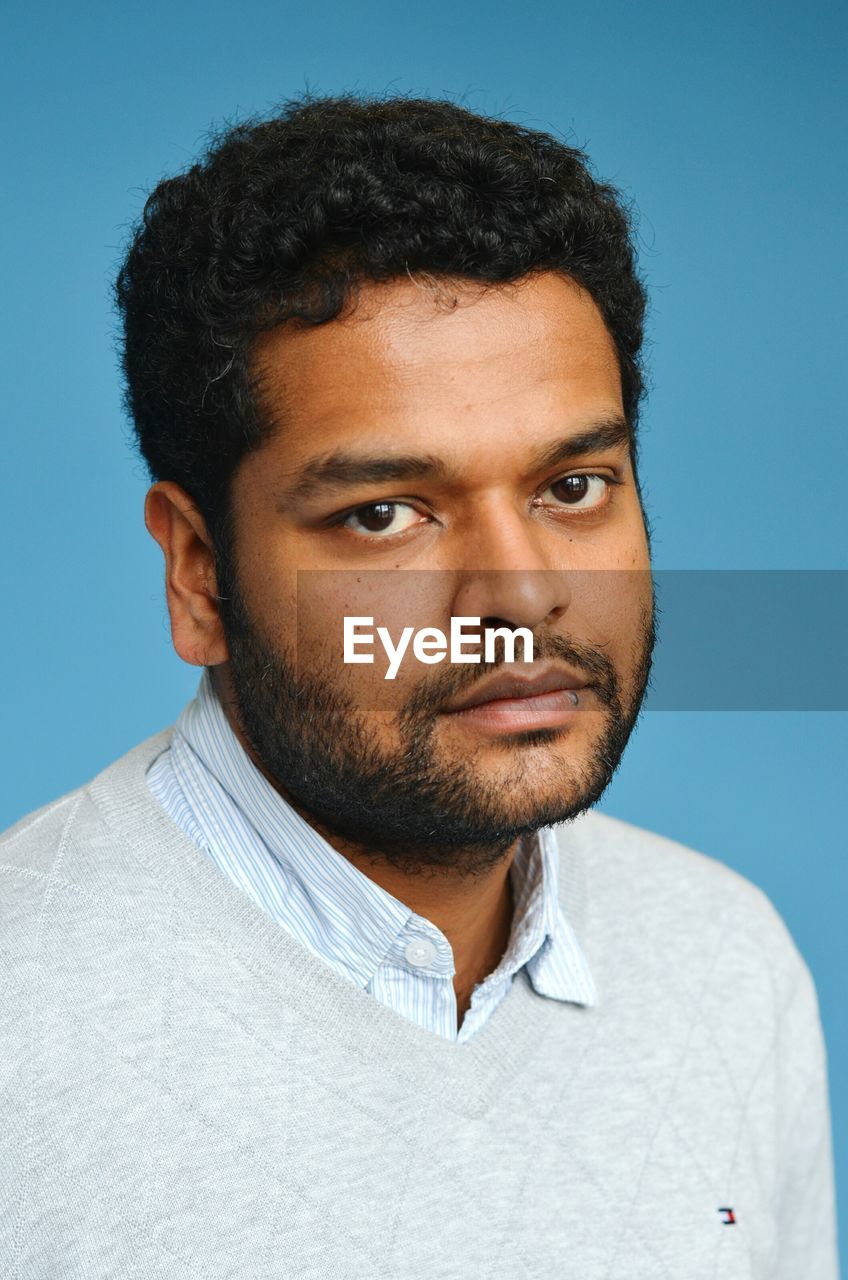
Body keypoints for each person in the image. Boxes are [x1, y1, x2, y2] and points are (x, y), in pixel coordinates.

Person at [0, 95, 837, 1278]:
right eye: (384, 513)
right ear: (198, 574)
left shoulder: (723, 959)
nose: (519, 595)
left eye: (572, 486)